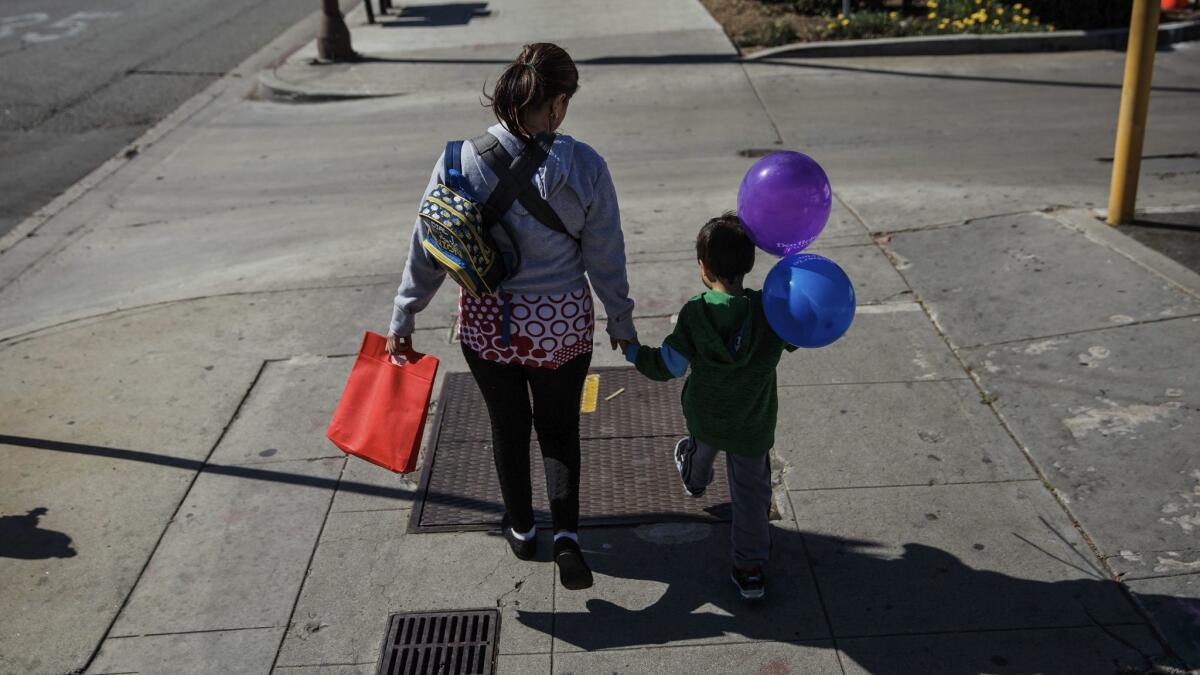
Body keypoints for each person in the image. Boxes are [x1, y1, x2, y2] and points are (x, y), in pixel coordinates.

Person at [386, 43, 637, 590]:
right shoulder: (586, 165)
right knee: (559, 428)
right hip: (561, 325)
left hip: (488, 323)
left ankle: (522, 528)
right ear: (559, 102)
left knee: (507, 425)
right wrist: (619, 317)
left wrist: (404, 315)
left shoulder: (458, 160)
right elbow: (605, 252)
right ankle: (567, 533)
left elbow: (430, 244)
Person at [622, 212, 793, 600]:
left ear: (703, 267)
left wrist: (634, 352)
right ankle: (749, 568)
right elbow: (797, 337)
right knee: (750, 497)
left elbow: (669, 365)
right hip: (752, 423)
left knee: (703, 445)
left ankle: (695, 480)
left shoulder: (696, 314)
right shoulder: (770, 312)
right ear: (749, 264)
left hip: (707, 414)